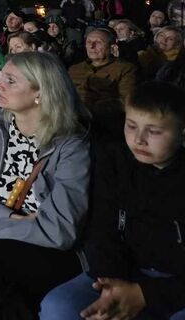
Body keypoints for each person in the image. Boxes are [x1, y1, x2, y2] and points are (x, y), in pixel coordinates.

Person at [0, 51, 90, 320]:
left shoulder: (70, 146)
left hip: (54, 253)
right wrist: (10, 218)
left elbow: (59, 231)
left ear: (41, 93)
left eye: (10, 81)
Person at [40, 81, 185, 320]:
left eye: (154, 131)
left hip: (175, 284)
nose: (139, 139)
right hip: (122, 273)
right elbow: (101, 229)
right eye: (131, 126)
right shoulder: (115, 160)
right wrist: (113, 286)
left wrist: (146, 294)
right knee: (59, 305)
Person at [68, 27, 137, 130]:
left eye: (98, 42)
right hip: (73, 124)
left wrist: (90, 107)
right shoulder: (74, 69)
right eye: (89, 42)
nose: (92, 46)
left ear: (112, 47)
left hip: (106, 126)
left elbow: (126, 101)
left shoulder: (125, 69)